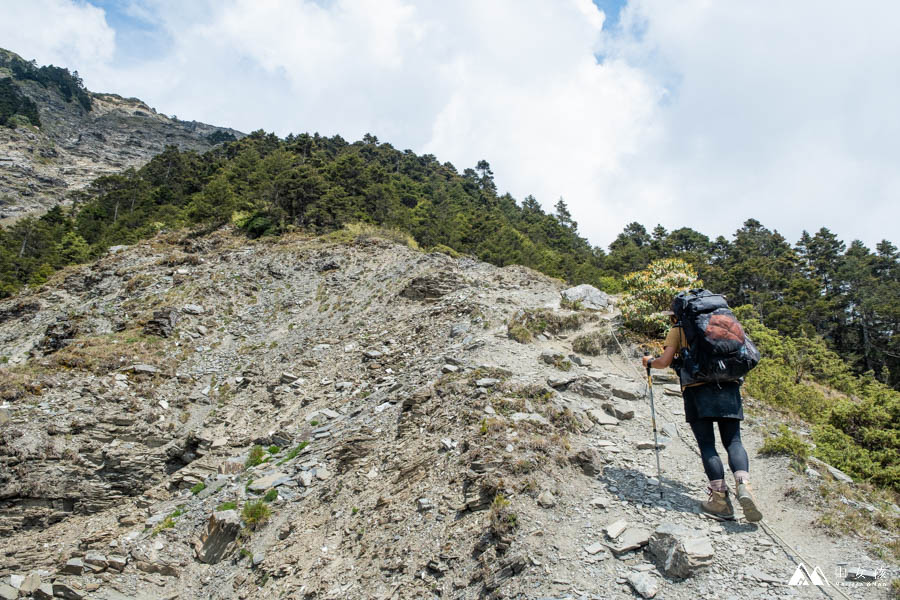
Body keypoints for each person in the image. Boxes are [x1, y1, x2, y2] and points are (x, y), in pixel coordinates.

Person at [642, 308, 763, 522]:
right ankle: (744, 485)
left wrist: (649, 362)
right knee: (734, 441)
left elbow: (665, 361)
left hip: (697, 391)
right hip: (729, 386)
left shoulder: (679, 329)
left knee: (707, 445)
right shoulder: (724, 323)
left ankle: (720, 500)